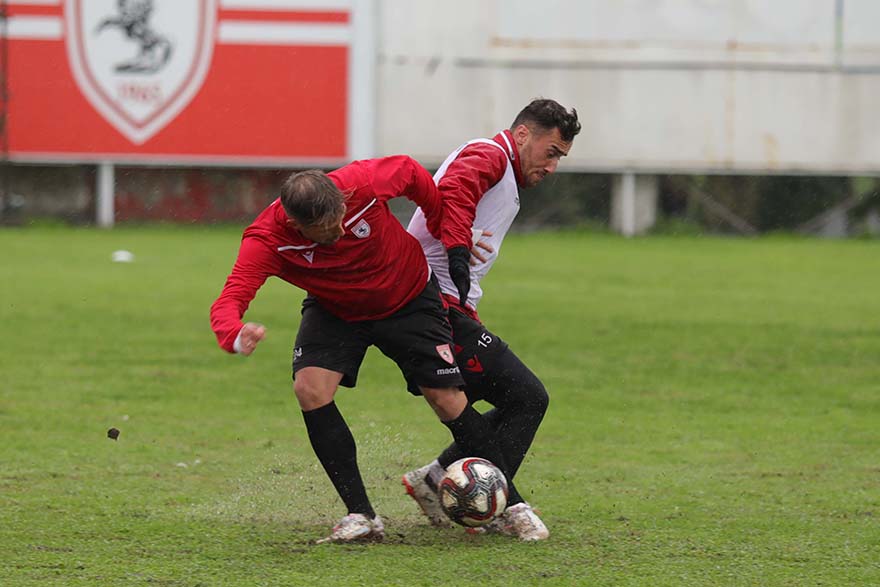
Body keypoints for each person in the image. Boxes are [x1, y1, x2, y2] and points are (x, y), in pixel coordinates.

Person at [210, 155, 526, 544]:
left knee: (446, 398)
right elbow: (229, 301)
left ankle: (514, 506)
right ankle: (361, 516)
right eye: (327, 230)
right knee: (310, 389)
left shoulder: (360, 181)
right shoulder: (267, 240)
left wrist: (449, 230)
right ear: (296, 224)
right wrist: (235, 334)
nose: (340, 229)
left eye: (341, 217)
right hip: (336, 308)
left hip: (409, 296)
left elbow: (413, 174)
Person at [402, 98, 581, 541]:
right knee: (527, 397)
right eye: (552, 152)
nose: (553, 166)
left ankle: (437, 479)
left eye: (561, 157)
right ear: (523, 135)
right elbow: (456, 192)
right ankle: (504, 504)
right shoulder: (491, 155)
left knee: (516, 398)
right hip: (431, 307)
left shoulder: (503, 169)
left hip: (446, 308)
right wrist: (459, 252)